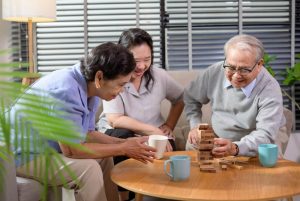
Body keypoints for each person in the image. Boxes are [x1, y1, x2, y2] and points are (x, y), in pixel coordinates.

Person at [10, 42, 156, 201]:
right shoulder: (66, 91)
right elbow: (71, 150)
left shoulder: (90, 86)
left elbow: (87, 133)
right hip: (21, 155)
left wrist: (126, 142)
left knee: (106, 157)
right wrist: (123, 148)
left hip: (45, 150)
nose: (121, 91)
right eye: (120, 85)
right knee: (89, 169)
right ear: (99, 77)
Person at [97, 28, 184, 200]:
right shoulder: (113, 75)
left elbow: (181, 98)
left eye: (147, 59)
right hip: (119, 130)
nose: (142, 66)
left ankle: (156, 193)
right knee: (125, 137)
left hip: (153, 132)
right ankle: (124, 197)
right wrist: (151, 130)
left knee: (167, 147)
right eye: (136, 60)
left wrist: (168, 126)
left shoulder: (159, 76)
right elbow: (115, 119)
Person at [184, 34, 287, 157]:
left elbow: (265, 134)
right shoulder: (214, 72)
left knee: (266, 162)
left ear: (259, 65)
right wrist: (195, 125)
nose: (236, 75)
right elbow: (191, 97)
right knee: (193, 146)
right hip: (220, 134)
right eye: (231, 67)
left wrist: (236, 147)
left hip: (262, 138)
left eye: (244, 69)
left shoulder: (269, 88)